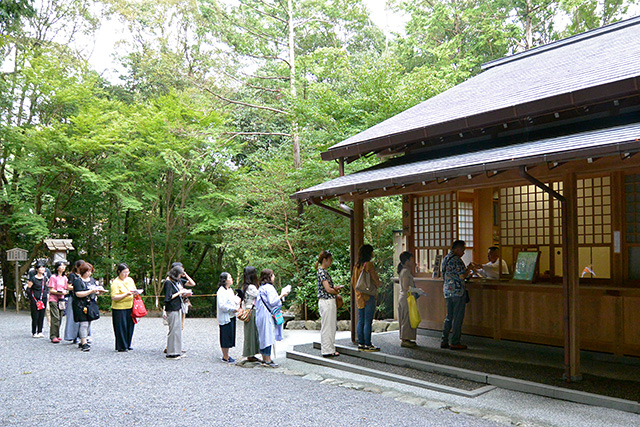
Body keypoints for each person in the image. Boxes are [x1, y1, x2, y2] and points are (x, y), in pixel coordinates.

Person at [441, 240, 476, 350]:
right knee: (457, 317)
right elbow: (462, 276)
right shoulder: (457, 260)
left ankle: (444, 340)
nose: (463, 253)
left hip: (447, 290)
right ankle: (455, 342)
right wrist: (469, 269)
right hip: (457, 291)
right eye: (463, 250)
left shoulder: (445, 258)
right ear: (457, 249)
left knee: (448, 317)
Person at [255, 269, 289, 367]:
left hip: (260, 314)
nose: (274, 277)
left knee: (262, 337)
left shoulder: (261, 288)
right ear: (269, 277)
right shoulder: (269, 288)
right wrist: (282, 295)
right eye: (273, 275)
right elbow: (272, 301)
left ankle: (264, 358)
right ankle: (268, 359)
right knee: (268, 336)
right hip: (266, 316)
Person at [352, 244, 381, 352]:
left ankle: (361, 343)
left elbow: (353, 282)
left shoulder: (356, 266)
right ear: (369, 253)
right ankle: (368, 344)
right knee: (368, 321)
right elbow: (375, 279)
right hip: (368, 295)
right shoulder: (368, 265)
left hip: (359, 295)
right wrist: (379, 284)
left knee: (361, 320)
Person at [72, 262, 105, 352]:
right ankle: (83, 342)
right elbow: (78, 294)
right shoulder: (78, 281)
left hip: (90, 304)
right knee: (84, 323)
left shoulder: (92, 280)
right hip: (80, 305)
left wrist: (98, 292)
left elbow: (94, 290)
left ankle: (84, 339)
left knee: (89, 323)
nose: (89, 273)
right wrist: (90, 291)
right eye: (87, 271)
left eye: (90, 271)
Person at [316, 250, 343, 357]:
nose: (331, 262)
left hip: (327, 301)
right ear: (325, 260)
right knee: (328, 326)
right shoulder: (322, 272)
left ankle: (330, 348)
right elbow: (327, 289)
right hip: (326, 301)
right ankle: (327, 349)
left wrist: (334, 290)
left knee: (329, 325)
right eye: (329, 260)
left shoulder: (322, 272)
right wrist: (335, 291)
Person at [164, 265, 191, 359]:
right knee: (173, 330)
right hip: (172, 309)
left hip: (177, 307)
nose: (180, 277)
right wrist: (179, 293)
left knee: (178, 330)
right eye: (180, 275)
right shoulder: (168, 282)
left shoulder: (174, 282)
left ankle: (177, 351)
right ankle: (171, 352)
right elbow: (168, 297)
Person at [110, 263, 138, 352]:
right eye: (124, 272)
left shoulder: (130, 280)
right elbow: (114, 297)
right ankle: (122, 346)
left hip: (130, 305)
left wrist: (135, 293)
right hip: (119, 307)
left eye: (127, 272)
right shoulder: (115, 282)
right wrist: (126, 294)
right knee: (121, 327)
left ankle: (128, 343)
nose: (126, 274)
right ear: (119, 272)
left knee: (130, 325)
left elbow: (134, 289)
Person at [64, 259, 90, 343]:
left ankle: (84, 336)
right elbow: (68, 286)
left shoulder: (88, 277)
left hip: (85, 299)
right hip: (74, 297)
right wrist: (78, 287)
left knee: (85, 320)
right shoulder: (73, 275)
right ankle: (73, 336)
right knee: (73, 318)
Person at [217, 272, 240, 363]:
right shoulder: (221, 291)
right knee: (225, 335)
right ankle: (225, 356)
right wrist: (232, 309)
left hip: (232, 315)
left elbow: (233, 300)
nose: (231, 279)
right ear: (225, 280)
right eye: (229, 277)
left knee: (230, 335)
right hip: (226, 316)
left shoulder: (230, 290)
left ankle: (227, 354)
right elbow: (222, 305)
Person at [241, 266, 261, 363]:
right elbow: (260, 295)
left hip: (249, 310)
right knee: (251, 333)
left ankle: (251, 354)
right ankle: (250, 354)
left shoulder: (246, 286)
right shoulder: (251, 287)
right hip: (251, 311)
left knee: (251, 333)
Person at [397, 251, 418, 348]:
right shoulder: (406, 271)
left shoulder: (404, 270)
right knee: (406, 318)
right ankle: (405, 339)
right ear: (407, 260)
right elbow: (406, 286)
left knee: (407, 317)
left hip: (404, 297)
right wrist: (417, 290)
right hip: (406, 296)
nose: (413, 261)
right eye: (411, 259)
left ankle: (407, 338)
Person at [169, 262, 196, 330]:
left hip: (183, 301)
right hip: (174, 304)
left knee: (182, 319)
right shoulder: (170, 281)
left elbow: (193, 283)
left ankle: (181, 328)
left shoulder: (180, 281)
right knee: (175, 324)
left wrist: (185, 274)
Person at [26, 261, 49, 338]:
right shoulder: (33, 279)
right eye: (40, 267)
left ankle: (40, 330)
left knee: (42, 315)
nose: (42, 269)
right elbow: (28, 289)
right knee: (35, 315)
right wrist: (32, 298)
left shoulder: (45, 278)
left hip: (43, 298)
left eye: (43, 267)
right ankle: (34, 331)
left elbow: (47, 288)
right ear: (37, 269)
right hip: (35, 298)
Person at [47, 261, 68, 343]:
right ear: (57, 267)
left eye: (64, 266)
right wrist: (59, 292)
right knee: (55, 317)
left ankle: (57, 334)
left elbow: (66, 287)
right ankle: (53, 336)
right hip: (53, 298)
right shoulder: (53, 277)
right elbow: (51, 289)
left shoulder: (65, 278)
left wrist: (65, 292)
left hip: (61, 299)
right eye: (61, 266)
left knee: (60, 317)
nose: (63, 267)